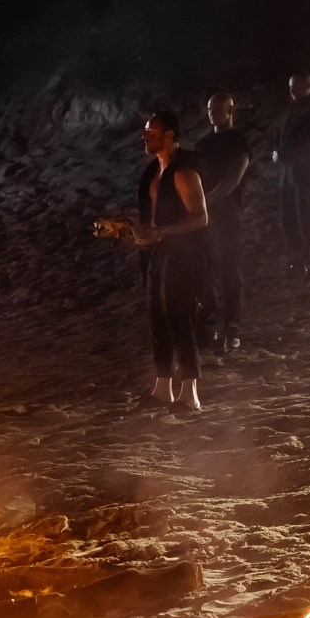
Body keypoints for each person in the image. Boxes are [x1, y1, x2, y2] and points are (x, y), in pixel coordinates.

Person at [96, 112, 213, 409]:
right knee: (156, 317)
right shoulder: (153, 172)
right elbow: (153, 221)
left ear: (171, 136)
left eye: (153, 133)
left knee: (178, 316)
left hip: (185, 254)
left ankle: (191, 394)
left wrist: (160, 233)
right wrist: (126, 227)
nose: (146, 137)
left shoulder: (184, 172)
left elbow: (200, 218)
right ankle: (163, 389)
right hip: (160, 252)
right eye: (146, 132)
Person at [196, 92, 252, 352]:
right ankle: (210, 325)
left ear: (230, 111)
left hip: (227, 214)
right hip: (205, 215)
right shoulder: (203, 144)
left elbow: (233, 179)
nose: (212, 114)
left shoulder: (239, 141)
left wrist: (206, 201)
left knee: (230, 271)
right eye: (210, 109)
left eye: (217, 109)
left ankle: (233, 328)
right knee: (204, 271)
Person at [273, 72, 310, 281]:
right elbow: (276, 135)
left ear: (308, 86)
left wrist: (284, 152)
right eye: (290, 87)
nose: (292, 92)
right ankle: (296, 261)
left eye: (295, 87)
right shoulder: (289, 110)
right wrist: (276, 151)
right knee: (288, 218)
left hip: (305, 171)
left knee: (308, 217)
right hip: (287, 172)